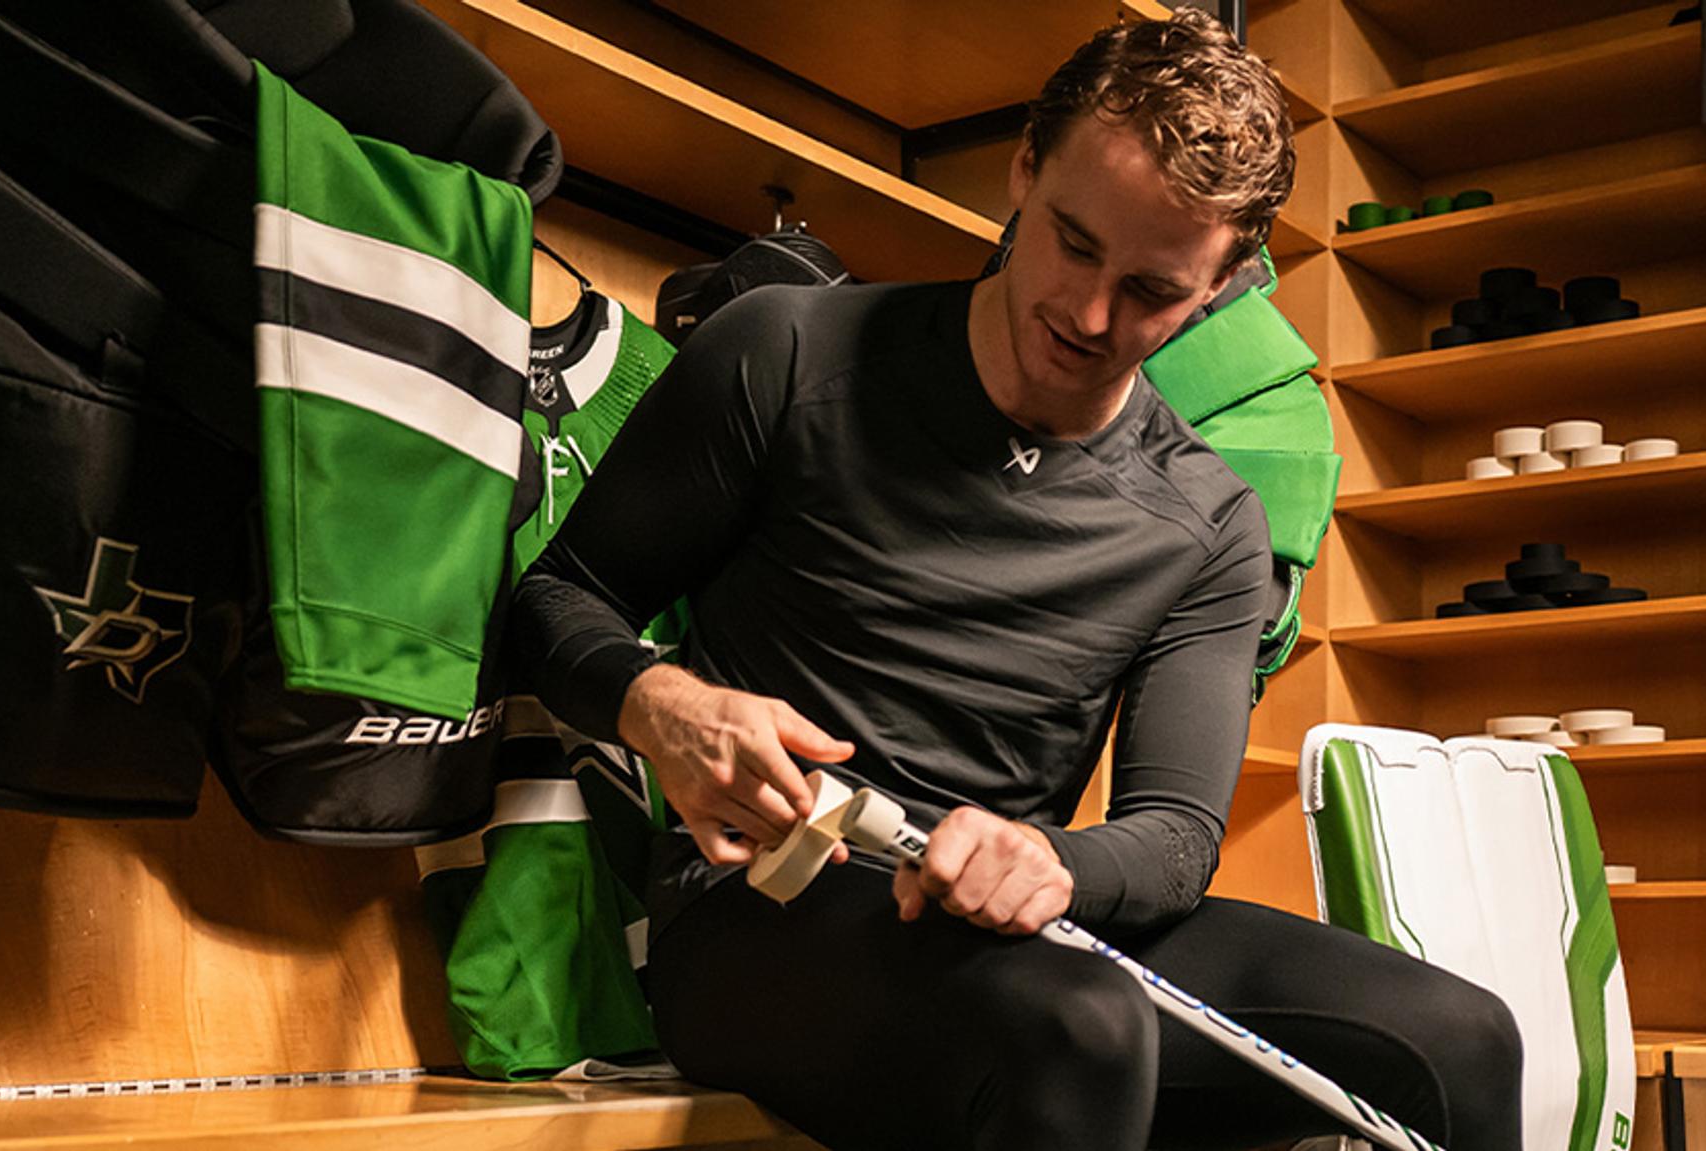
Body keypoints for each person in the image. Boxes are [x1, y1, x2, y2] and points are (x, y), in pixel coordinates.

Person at [515, 11, 1523, 1149]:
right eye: (1073, 244)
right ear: (1023, 168)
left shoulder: (1205, 522)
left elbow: (1175, 833)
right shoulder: (784, 352)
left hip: (1012, 920)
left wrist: (1051, 858)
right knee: (1079, 1029)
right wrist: (663, 702)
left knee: (1460, 1038)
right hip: (767, 905)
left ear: (1225, 281)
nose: (1090, 315)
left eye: (1151, 289)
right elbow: (555, 598)